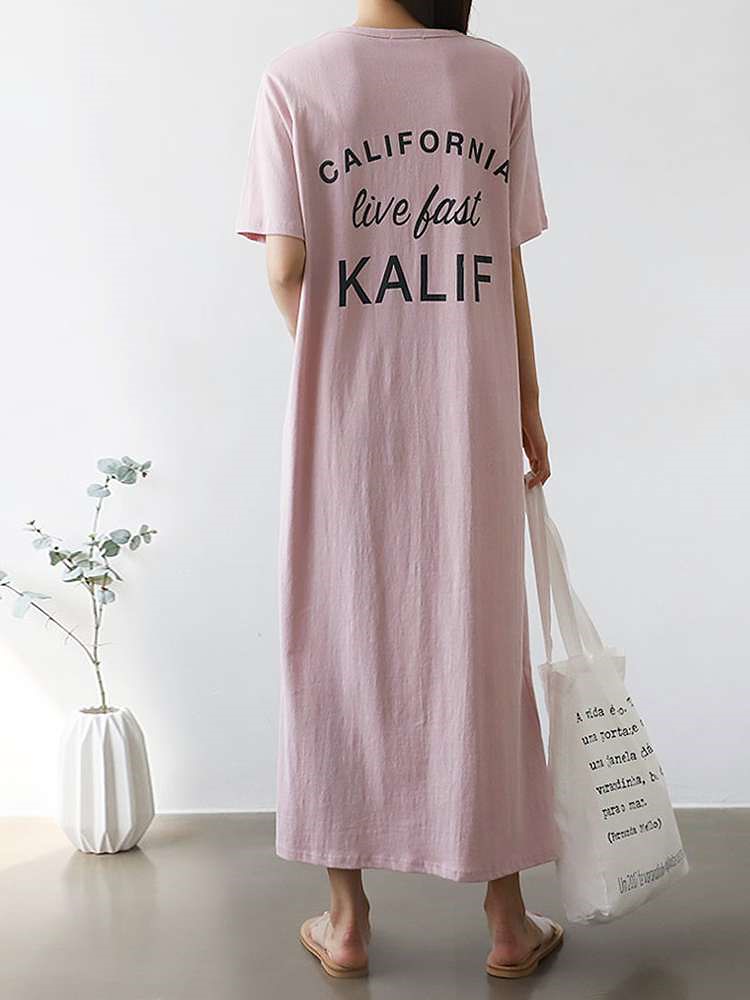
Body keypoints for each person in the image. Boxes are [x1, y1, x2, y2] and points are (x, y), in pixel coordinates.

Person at [235, 0, 563, 980]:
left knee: (336, 640)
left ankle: (345, 923)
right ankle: (507, 921)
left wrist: (343, 360)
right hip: (470, 411)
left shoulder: (295, 79)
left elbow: (286, 265)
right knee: (479, 642)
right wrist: (527, 402)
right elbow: (501, 259)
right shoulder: (496, 75)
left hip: (341, 420)